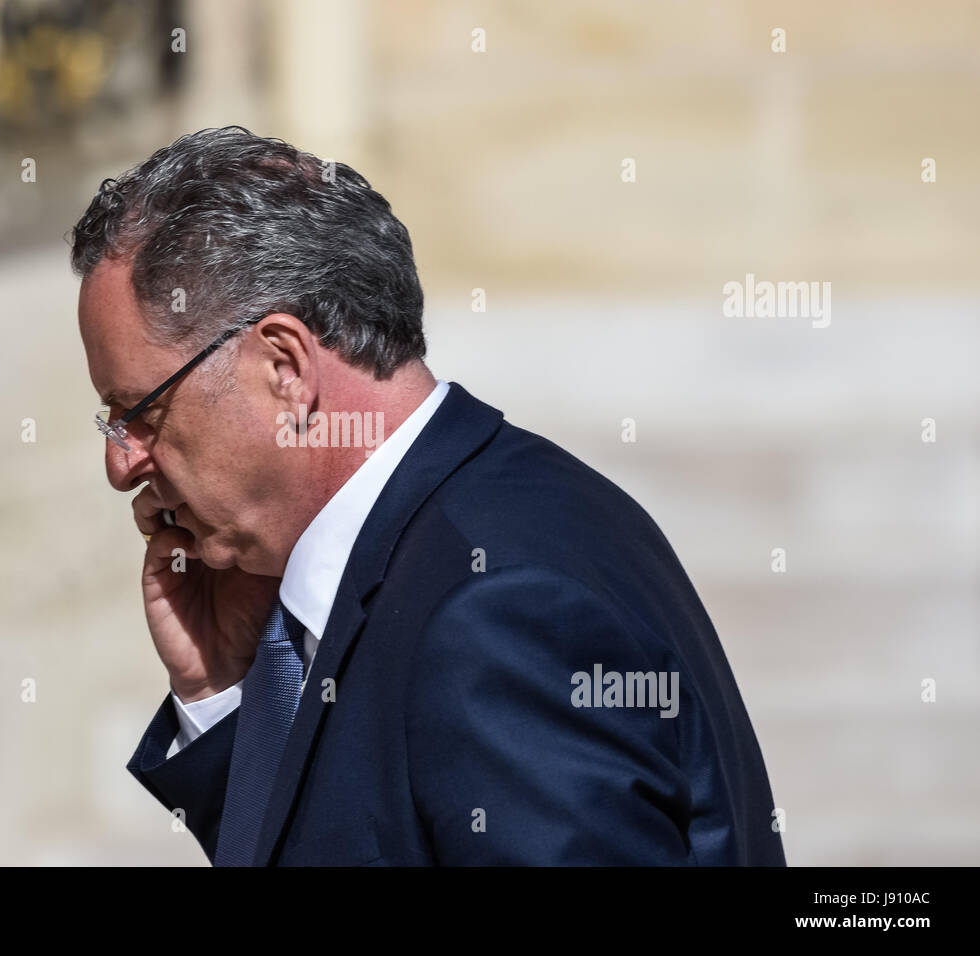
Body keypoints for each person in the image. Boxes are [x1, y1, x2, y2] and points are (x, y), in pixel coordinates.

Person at [69, 126, 786, 866]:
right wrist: (227, 693)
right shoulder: (477, 524)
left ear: (284, 366)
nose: (122, 464)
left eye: (140, 413)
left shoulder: (497, 607)